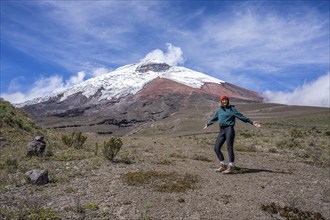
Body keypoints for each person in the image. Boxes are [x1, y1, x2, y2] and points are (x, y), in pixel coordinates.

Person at [203, 95, 261, 174]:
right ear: (221, 101)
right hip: (222, 130)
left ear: (228, 101)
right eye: (223, 100)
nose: (224, 101)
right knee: (216, 148)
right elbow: (215, 118)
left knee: (229, 147)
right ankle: (223, 165)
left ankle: (231, 167)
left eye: (225, 100)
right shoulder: (220, 110)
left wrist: (252, 122)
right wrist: (208, 124)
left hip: (229, 129)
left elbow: (241, 116)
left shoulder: (232, 109)